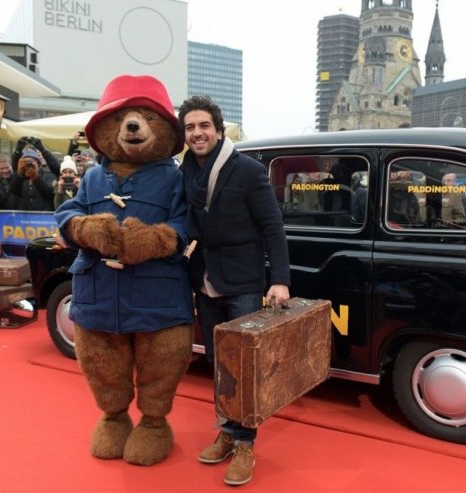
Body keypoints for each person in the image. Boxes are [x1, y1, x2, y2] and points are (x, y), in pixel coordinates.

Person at [178, 95, 290, 486]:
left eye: (204, 126)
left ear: (219, 130)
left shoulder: (247, 170)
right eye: (190, 127)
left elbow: (272, 227)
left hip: (241, 283)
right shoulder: (185, 172)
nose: (197, 133)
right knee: (217, 365)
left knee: (242, 369)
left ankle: (245, 443)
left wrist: (280, 279)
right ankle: (226, 432)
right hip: (204, 282)